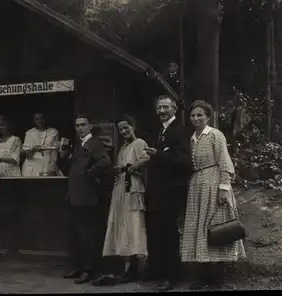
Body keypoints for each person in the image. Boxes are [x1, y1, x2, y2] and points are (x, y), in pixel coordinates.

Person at [181, 100, 246, 290]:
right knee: (199, 229)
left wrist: (224, 188)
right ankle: (203, 276)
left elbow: (224, 161)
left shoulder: (215, 135)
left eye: (200, 115)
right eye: (193, 115)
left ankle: (219, 277)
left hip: (214, 183)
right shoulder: (192, 138)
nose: (196, 118)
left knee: (217, 227)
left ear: (208, 117)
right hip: (196, 186)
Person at [92, 115, 150, 286]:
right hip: (121, 187)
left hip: (132, 187)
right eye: (121, 129)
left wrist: (132, 167)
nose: (124, 131)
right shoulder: (124, 147)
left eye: (126, 127)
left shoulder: (139, 143)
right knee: (123, 225)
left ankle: (135, 267)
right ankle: (127, 266)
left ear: (133, 126)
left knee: (133, 224)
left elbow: (146, 158)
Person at [144, 95, 193, 291]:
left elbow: (184, 161)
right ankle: (159, 271)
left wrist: (159, 155)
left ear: (174, 109)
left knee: (169, 234)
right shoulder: (161, 130)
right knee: (158, 232)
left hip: (172, 192)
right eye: (159, 108)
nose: (162, 111)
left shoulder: (179, 131)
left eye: (165, 107)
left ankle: (172, 276)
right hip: (158, 191)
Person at [59, 114, 112, 284]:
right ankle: (79, 267)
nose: (80, 128)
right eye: (77, 125)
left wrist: (89, 174)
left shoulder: (95, 143)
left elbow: (105, 162)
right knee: (75, 234)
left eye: (83, 125)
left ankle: (89, 270)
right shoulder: (78, 145)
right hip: (75, 196)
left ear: (90, 126)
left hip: (87, 197)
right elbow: (72, 167)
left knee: (87, 235)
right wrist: (64, 156)